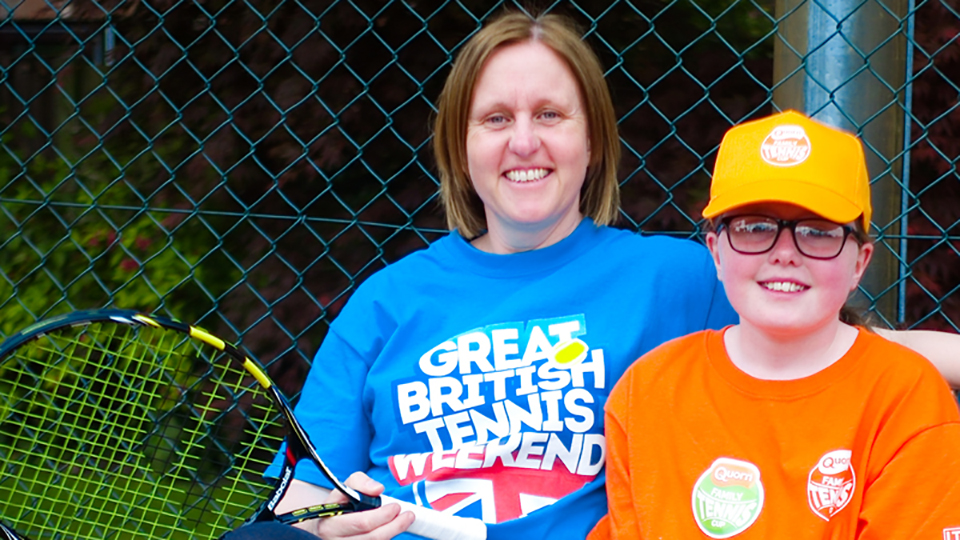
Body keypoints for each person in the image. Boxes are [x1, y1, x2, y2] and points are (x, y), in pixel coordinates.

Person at [224, 11, 960, 540]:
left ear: (592, 141)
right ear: (460, 144)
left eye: (551, 114)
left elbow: (836, 350)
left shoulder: (676, 276)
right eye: (495, 119)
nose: (524, 142)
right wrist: (330, 522)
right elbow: (301, 499)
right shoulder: (387, 302)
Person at [588, 111, 960, 539]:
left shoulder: (906, 400)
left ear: (859, 263)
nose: (785, 252)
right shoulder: (648, 392)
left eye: (818, 232)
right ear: (716, 252)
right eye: (755, 227)